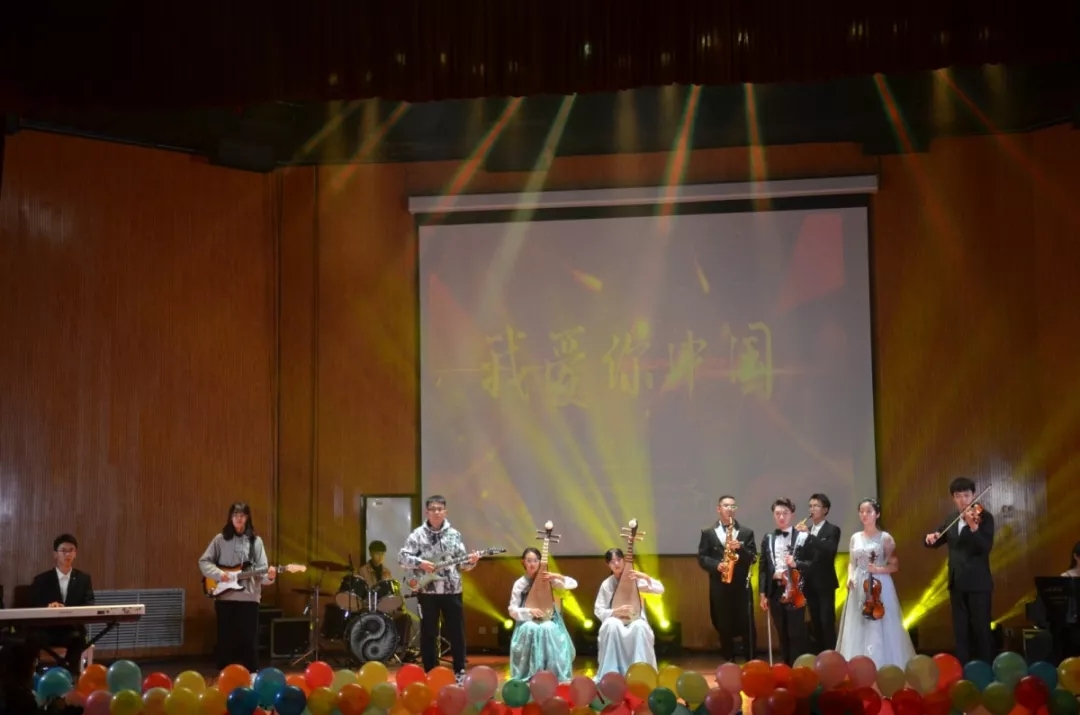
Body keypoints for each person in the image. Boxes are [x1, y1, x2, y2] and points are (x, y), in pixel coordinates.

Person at [398, 495, 481, 681]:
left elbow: (463, 564)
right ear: (427, 512)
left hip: (452, 591)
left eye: (439, 509)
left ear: (445, 512)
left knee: (457, 632)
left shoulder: (454, 535)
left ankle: (459, 671)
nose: (436, 512)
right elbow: (402, 558)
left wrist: (472, 561)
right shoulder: (417, 535)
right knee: (428, 633)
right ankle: (431, 672)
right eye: (433, 509)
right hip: (427, 591)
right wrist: (420, 563)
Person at [835, 499, 916, 668]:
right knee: (859, 620)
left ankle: (880, 664)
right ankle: (857, 665)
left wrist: (877, 569)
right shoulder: (855, 537)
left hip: (879, 583)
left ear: (877, 514)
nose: (864, 515)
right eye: (861, 512)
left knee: (879, 620)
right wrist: (850, 576)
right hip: (859, 583)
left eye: (868, 511)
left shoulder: (885, 538)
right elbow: (852, 562)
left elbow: (894, 565)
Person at [198, 502, 276, 672]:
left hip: (249, 599)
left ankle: (251, 677)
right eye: (235, 515)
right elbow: (204, 562)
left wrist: (270, 576)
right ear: (230, 517)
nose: (238, 519)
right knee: (225, 642)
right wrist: (219, 574)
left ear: (247, 518)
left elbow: (262, 575)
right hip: (225, 598)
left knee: (249, 643)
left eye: (242, 515)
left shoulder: (256, 542)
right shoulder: (220, 539)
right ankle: (224, 678)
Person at [924, 477, 995, 663]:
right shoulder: (951, 518)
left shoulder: (985, 518)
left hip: (978, 583)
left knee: (981, 629)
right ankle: (963, 668)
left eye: (966, 495)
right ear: (953, 498)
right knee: (960, 630)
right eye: (958, 496)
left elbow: (985, 546)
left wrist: (974, 528)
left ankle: (985, 668)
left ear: (973, 495)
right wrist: (930, 538)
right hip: (956, 582)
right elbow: (936, 540)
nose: (963, 500)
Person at [697, 495, 757, 661]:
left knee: (747, 623)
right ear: (719, 509)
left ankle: (751, 661)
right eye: (726, 505)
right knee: (723, 623)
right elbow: (702, 557)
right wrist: (717, 565)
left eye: (732, 506)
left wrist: (741, 548)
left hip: (741, 585)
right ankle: (728, 661)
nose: (730, 509)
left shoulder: (746, 533)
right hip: (720, 583)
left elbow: (753, 558)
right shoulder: (708, 533)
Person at [507, 547, 578, 682]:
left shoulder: (548, 579)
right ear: (523, 562)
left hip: (548, 619)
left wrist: (556, 576)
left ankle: (551, 675)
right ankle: (529, 674)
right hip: (527, 621)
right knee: (530, 628)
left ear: (540, 562)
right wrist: (529, 612)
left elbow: (573, 584)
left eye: (535, 561)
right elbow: (512, 609)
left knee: (548, 628)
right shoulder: (520, 583)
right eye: (529, 561)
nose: (532, 564)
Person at [593, 547, 665, 679]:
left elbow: (660, 589)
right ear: (608, 565)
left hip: (635, 619)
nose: (616, 564)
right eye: (612, 562)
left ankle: (640, 673)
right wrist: (615, 611)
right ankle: (611, 673)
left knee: (640, 626)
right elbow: (598, 609)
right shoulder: (607, 584)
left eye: (619, 560)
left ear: (624, 561)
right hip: (615, 619)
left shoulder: (634, 579)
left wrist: (645, 577)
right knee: (611, 625)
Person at [29, 534, 95, 673]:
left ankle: (68, 675)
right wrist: (48, 607)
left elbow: (89, 603)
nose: (67, 554)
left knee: (78, 639)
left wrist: (69, 610)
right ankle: (37, 674)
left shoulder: (83, 579)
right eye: (63, 550)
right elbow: (33, 605)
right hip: (47, 630)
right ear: (55, 554)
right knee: (32, 638)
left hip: (71, 630)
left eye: (71, 550)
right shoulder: (41, 579)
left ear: (75, 554)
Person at [758, 498, 810, 665]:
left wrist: (796, 564)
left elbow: (811, 563)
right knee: (781, 630)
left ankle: (797, 667)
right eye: (778, 513)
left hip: (796, 589)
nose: (781, 517)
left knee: (795, 632)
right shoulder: (768, 538)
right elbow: (763, 568)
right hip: (776, 589)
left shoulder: (802, 537)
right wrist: (762, 593)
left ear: (792, 514)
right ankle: (785, 668)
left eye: (785, 513)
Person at [795, 493, 842, 653]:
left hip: (825, 582)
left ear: (825, 510)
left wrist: (809, 536)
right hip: (809, 583)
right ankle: (819, 655)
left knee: (826, 620)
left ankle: (831, 655)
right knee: (815, 621)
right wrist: (797, 538)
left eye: (816, 506)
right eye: (810, 506)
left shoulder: (832, 529)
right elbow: (801, 555)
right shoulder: (806, 530)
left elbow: (829, 550)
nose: (812, 509)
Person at [357, 540, 414, 656]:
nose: (380, 557)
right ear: (371, 554)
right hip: (369, 608)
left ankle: (400, 649)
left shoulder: (386, 572)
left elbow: (391, 592)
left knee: (405, 617)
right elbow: (360, 593)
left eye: (382, 554)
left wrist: (398, 604)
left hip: (385, 609)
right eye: (377, 553)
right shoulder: (362, 571)